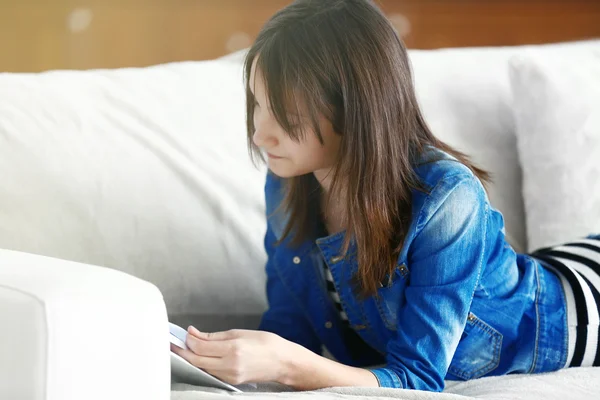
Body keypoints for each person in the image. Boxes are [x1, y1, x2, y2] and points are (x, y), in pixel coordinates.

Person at [170, 0, 600, 392]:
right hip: (550, 264)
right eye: (258, 104)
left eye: (287, 116)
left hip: (577, 310)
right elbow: (288, 328)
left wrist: (285, 365)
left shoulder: (448, 199)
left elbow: (416, 380)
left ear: (357, 109)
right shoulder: (289, 180)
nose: (259, 133)